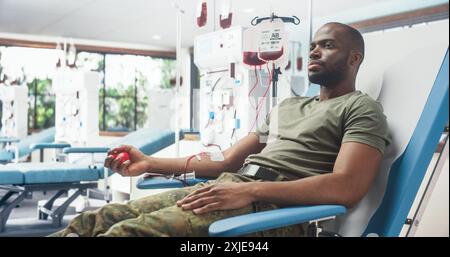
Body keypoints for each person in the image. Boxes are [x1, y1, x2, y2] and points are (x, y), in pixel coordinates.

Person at [50, 22, 390, 237]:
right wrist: (148, 162)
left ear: (354, 59)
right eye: (315, 44)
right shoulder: (288, 106)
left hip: (277, 210)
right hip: (229, 186)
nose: (315, 50)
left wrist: (252, 192)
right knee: (99, 219)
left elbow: (346, 188)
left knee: (128, 233)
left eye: (328, 45)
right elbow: (226, 161)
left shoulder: (361, 108)